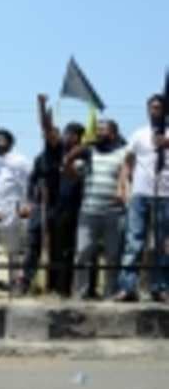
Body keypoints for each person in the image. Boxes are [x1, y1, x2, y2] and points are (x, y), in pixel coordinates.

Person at [19, 122, 85, 296]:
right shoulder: (42, 158)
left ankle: (59, 288)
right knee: (33, 246)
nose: (64, 137)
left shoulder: (80, 157)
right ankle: (25, 283)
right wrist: (31, 201)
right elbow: (32, 181)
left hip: (67, 209)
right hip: (42, 207)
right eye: (64, 134)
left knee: (60, 250)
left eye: (70, 134)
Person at [64, 120, 127, 299]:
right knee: (83, 253)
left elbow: (126, 178)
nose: (99, 133)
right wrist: (69, 160)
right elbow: (72, 175)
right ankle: (79, 295)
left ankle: (109, 294)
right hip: (89, 212)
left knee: (112, 256)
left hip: (113, 214)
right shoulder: (89, 153)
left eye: (103, 130)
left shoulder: (122, 153)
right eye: (97, 130)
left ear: (113, 134)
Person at [116, 95, 169, 302]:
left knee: (162, 243)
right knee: (134, 241)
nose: (155, 111)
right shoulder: (139, 134)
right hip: (140, 193)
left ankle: (160, 287)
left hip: (165, 194)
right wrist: (123, 186)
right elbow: (127, 162)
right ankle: (127, 287)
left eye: (159, 107)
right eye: (152, 107)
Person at [0, 129, 31, 289]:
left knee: (12, 249)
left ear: (10, 143)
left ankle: (13, 281)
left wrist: (26, 205)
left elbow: (27, 185)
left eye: (2, 140)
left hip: (12, 210)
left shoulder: (20, 161)